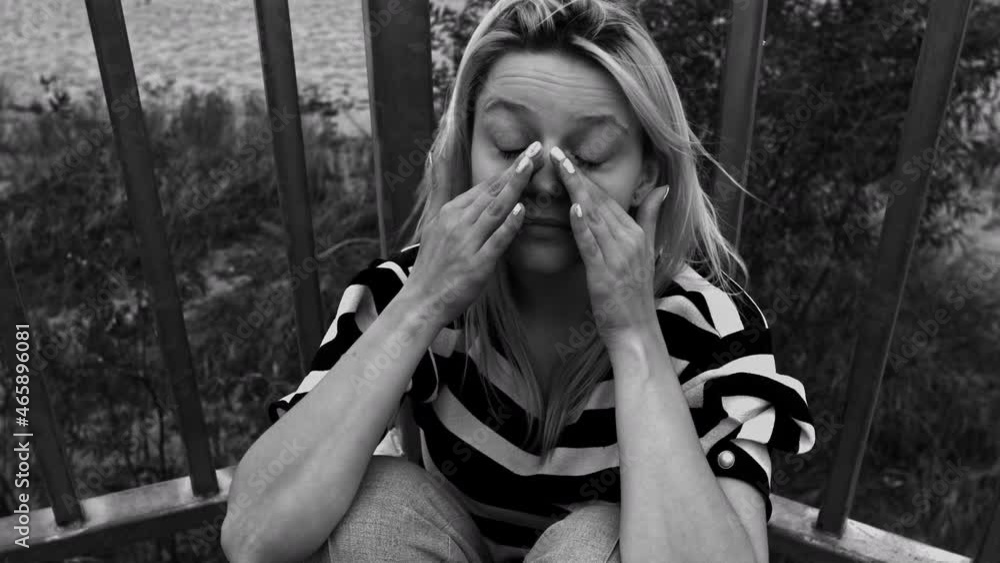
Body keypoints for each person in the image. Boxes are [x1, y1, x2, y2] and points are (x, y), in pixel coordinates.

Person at [221, 0, 816, 561]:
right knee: (371, 510)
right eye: (510, 145)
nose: (545, 182)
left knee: (595, 542)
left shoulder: (713, 331)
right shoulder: (410, 287)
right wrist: (423, 302)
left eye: (591, 153)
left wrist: (635, 334)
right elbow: (252, 535)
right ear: (469, 148)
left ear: (646, 174)